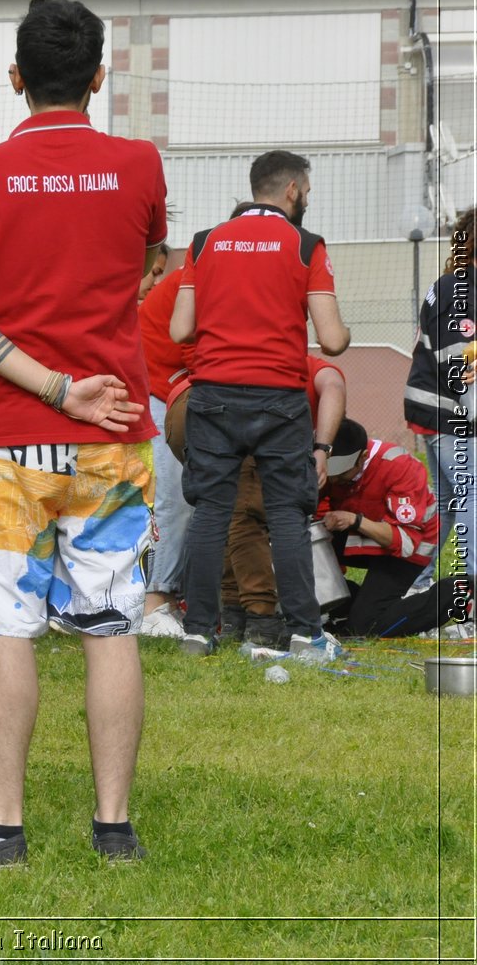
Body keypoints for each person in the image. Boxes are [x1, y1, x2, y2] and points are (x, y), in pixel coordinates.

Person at [0, 0, 166, 868]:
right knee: (112, 627)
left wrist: (56, 386)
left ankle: (1, 827)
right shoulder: (139, 165)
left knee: (6, 629)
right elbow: (141, 265)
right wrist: (85, 381)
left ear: (15, 79)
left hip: (14, 433)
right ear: (99, 77)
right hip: (117, 432)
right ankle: (114, 829)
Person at [169, 150, 351, 663]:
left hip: (212, 397)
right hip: (279, 401)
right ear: (292, 189)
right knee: (289, 519)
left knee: (210, 515)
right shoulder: (305, 246)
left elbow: (180, 329)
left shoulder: (203, 243)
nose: (307, 200)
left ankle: (199, 633)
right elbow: (333, 341)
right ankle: (305, 635)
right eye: (308, 192)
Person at [164, 355, 346, 648]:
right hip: (234, 405)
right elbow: (334, 385)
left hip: (188, 407)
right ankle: (262, 620)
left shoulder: (253, 351)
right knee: (248, 514)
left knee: (221, 512)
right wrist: (322, 448)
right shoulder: (304, 367)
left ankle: (230, 617)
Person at [319, 418, 470, 636]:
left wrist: (355, 521)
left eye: (341, 475)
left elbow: (406, 542)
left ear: (362, 458)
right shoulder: (325, 462)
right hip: (361, 536)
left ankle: (458, 591)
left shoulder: (397, 465)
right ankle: (349, 602)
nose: (334, 482)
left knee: (364, 627)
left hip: (407, 547)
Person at [404, 207, 476, 590]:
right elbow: (455, 365)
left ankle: (415, 583)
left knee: (449, 501)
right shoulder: (459, 289)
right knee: (471, 495)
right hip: (448, 413)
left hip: (441, 412)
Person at [137, 243, 193, 637]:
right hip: (156, 392)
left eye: (159, 272)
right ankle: (156, 600)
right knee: (174, 497)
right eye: (151, 272)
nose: (153, 282)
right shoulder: (194, 283)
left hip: (167, 391)